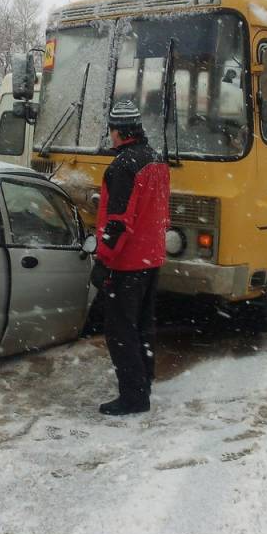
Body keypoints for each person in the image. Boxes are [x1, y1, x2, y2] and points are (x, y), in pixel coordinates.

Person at [92, 97, 170, 415]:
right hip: (152, 259)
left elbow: (118, 223)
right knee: (142, 327)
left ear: (120, 131)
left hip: (126, 263)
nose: (110, 136)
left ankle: (133, 397)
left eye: (111, 130)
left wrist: (104, 260)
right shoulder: (156, 159)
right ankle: (144, 381)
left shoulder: (123, 167)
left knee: (119, 332)